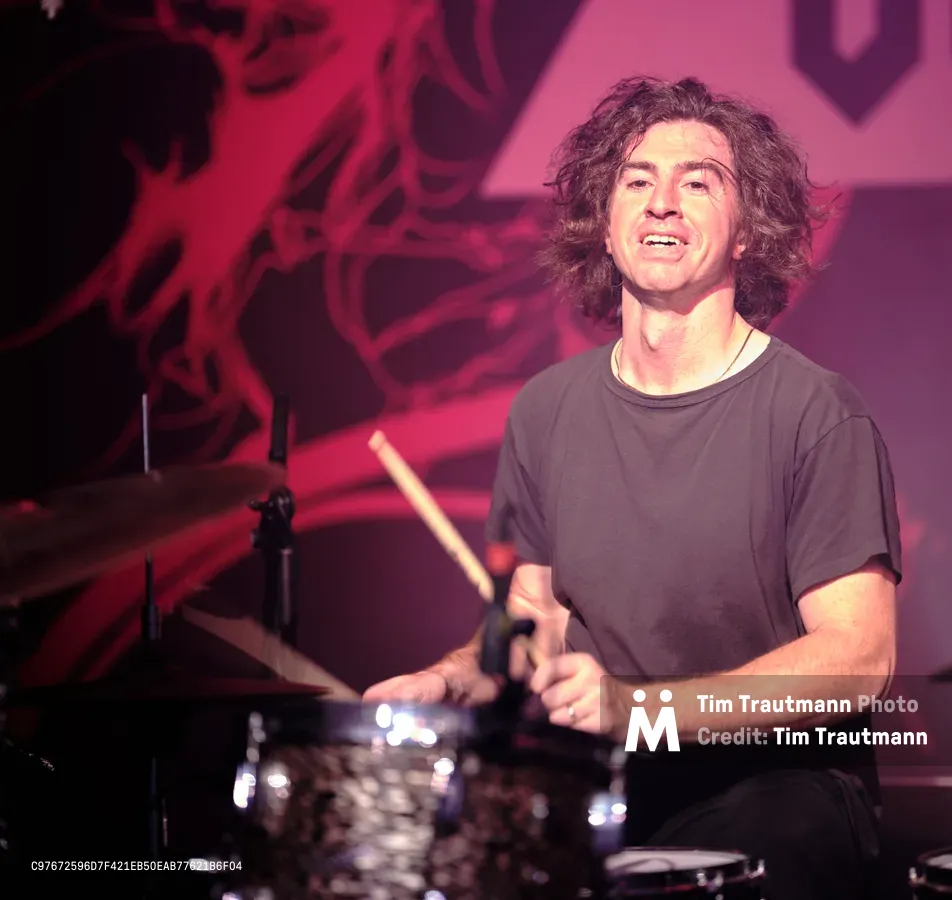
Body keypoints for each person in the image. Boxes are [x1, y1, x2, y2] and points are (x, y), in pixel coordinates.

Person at [366, 75, 902, 900]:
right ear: (602, 227)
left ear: (747, 234)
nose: (662, 203)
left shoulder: (816, 412)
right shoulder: (546, 410)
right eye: (636, 180)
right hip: (603, 790)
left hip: (779, 793)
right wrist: (445, 683)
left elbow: (859, 659)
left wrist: (643, 710)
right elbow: (534, 625)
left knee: (776, 833)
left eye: (698, 182)